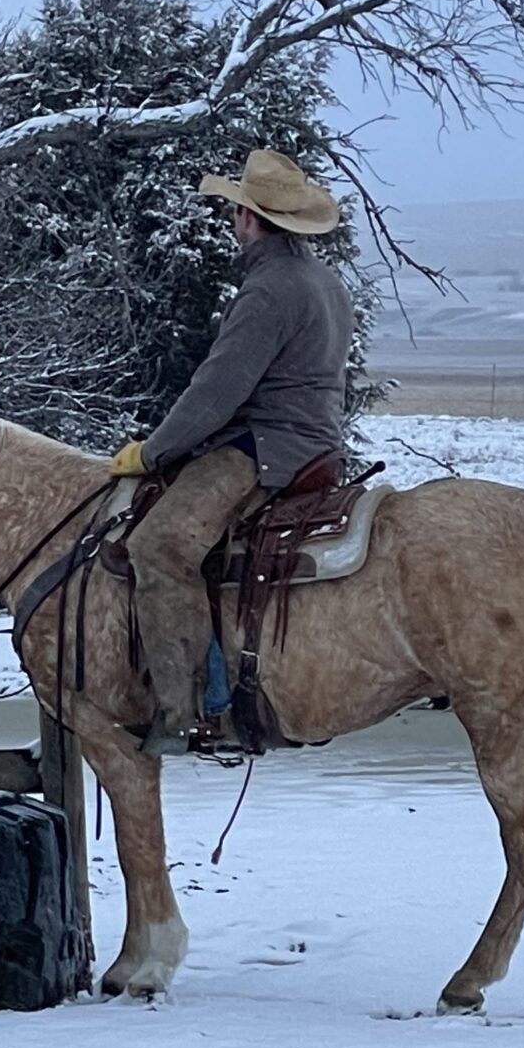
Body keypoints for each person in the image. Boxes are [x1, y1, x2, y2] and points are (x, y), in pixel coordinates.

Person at [108, 148, 354, 756]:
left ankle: (184, 710)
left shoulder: (268, 289)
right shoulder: (325, 282)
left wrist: (155, 452)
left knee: (157, 547)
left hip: (266, 446)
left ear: (248, 219)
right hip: (317, 438)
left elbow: (217, 391)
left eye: (235, 210)